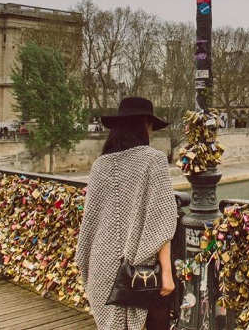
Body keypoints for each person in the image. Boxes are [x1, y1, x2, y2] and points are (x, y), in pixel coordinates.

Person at [75, 97, 178, 330]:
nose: (151, 132)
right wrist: (167, 273)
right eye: (151, 126)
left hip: (101, 265)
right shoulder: (154, 159)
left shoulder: (100, 165)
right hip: (140, 273)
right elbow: (161, 221)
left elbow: (90, 224)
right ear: (144, 123)